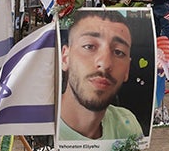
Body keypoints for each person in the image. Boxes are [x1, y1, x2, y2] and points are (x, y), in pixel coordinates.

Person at [57, 9, 145, 142]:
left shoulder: (126, 125)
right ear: (65, 58)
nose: (105, 63)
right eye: (89, 46)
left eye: (118, 52)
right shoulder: (42, 128)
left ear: (127, 69)